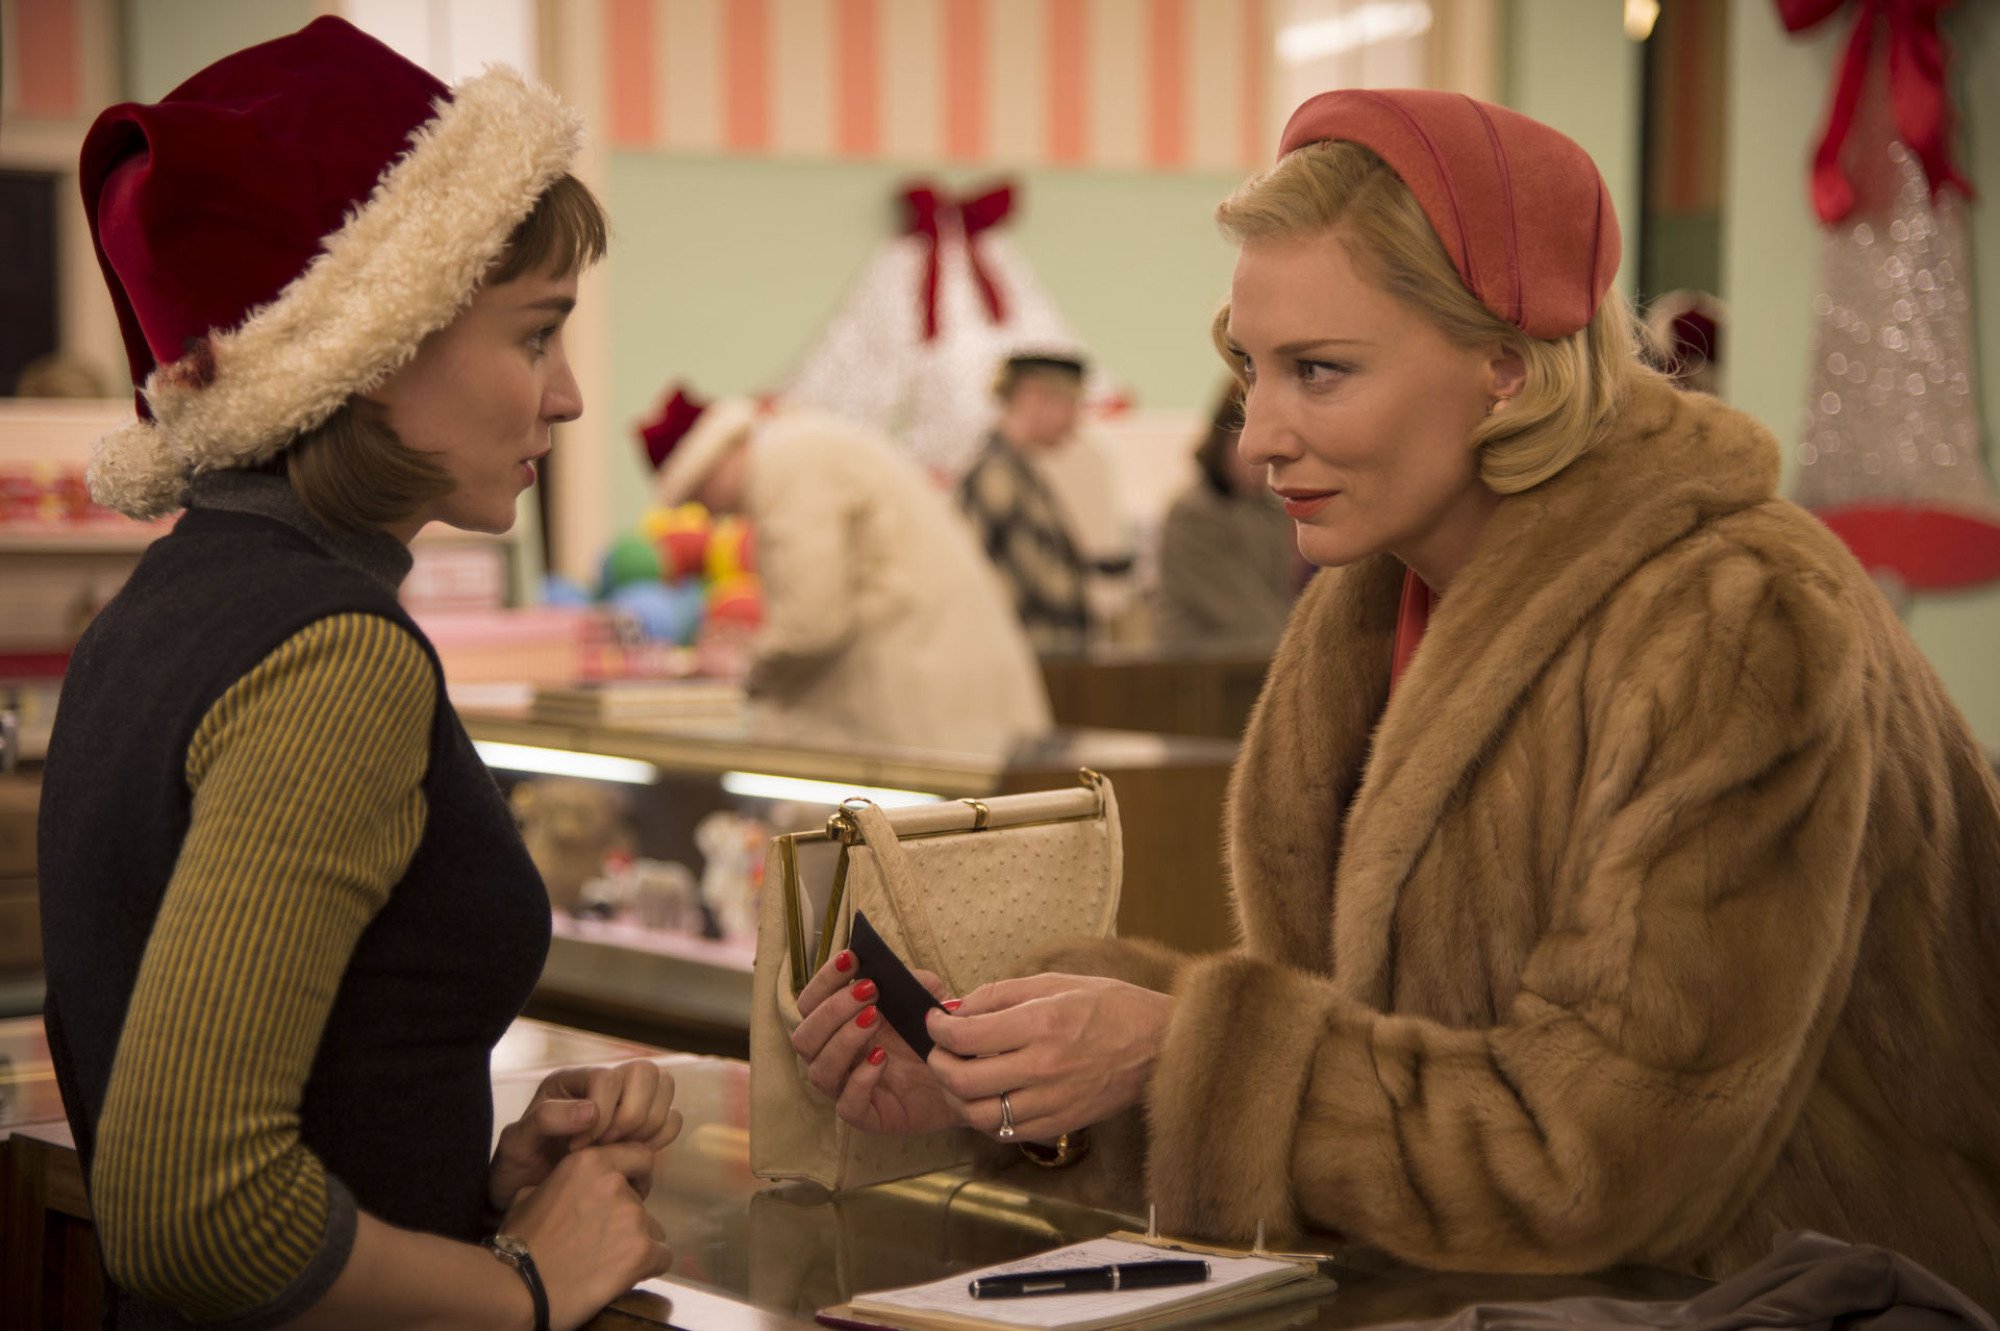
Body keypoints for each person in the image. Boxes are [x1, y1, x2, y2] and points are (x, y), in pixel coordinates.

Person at [789, 88, 2000, 1307]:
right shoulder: (1375, 595)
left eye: (1318, 371)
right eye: (1249, 369)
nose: (1259, 434)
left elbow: (1599, 1159)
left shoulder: (1735, 617)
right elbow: (1373, 1068)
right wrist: (1012, 1079)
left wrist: (1171, 1044)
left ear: (1508, 372)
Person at [39, 19, 679, 1329]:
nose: (564, 397)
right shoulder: (333, 656)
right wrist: (526, 1286)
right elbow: (192, 1206)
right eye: (536, 333)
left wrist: (482, 1183)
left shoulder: (167, 603)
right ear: (374, 348)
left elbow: (289, 1100)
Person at [641, 386, 1052, 749]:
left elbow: (813, 624)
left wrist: (744, 668)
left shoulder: (785, 466)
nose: (710, 515)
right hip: (949, 698)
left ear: (712, 459)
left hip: (926, 709)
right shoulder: (801, 447)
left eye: (698, 495)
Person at [957, 352, 1107, 652]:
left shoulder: (1017, 471)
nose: (1076, 420)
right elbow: (1041, 589)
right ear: (1032, 395)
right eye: (1070, 403)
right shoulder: (997, 477)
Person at [1154, 381, 1299, 648]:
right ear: (1220, 441)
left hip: (1251, 659)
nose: (1258, 457)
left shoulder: (1270, 510)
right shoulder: (1193, 514)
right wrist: (1303, 648)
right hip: (1198, 670)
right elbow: (1237, 612)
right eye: (1242, 439)